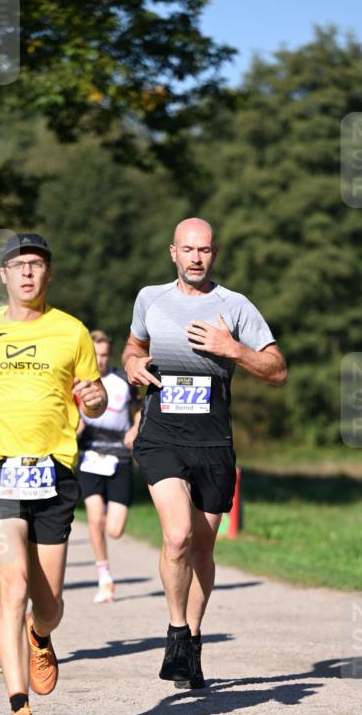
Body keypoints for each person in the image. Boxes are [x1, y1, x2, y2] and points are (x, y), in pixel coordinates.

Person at [0, 232, 107, 715]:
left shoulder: (72, 331)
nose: (28, 273)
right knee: (9, 586)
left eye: (37, 265)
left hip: (53, 469)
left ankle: (41, 636)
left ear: (47, 274)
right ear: (4, 276)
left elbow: (95, 402)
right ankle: (19, 709)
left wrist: (96, 397)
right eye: (19, 266)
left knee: (49, 602)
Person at [122, 217, 287, 689]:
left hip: (213, 442)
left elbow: (277, 370)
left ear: (214, 254)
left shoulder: (234, 305)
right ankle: (176, 631)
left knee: (201, 548)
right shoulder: (149, 298)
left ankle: (193, 638)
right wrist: (132, 363)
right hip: (161, 437)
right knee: (176, 538)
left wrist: (232, 348)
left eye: (205, 250)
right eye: (188, 249)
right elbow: (134, 346)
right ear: (171, 252)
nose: (196, 258)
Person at [77, 330, 140, 603]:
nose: (100, 361)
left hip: (120, 457)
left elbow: (140, 408)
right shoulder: (78, 382)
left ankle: (106, 518)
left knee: (115, 529)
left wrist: (136, 429)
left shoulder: (123, 381)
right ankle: (105, 577)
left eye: (104, 355)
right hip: (90, 454)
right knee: (95, 518)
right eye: (95, 355)